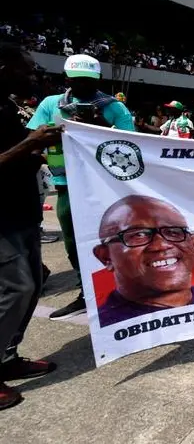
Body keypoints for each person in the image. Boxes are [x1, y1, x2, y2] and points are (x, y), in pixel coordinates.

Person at [27, 54, 135, 320]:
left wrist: (100, 128)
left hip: (104, 185)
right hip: (66, 184)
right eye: (77, 80)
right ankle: (86, 289)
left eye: (88, 80)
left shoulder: (113, 108)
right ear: (67, 79)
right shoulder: (51, 104)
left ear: (97, 80)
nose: (83, 85)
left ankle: (123, 287)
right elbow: (31, 138)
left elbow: (132, 145)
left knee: (113, 236)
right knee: (74, 238)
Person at [0, 44, 63, 410]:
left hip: (23, 213)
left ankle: (7, 358)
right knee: (16, 288)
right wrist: (30, 142)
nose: (33, 77)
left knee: (34, 283)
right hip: (2, 219)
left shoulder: (7, 107)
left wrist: (38, 150)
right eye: (26, 70)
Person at [93, 195, 194, 327]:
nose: (161, 245)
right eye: (139, 235)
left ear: (193, 244)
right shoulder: (108, 328)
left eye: (173, 232)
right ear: (106, 257)